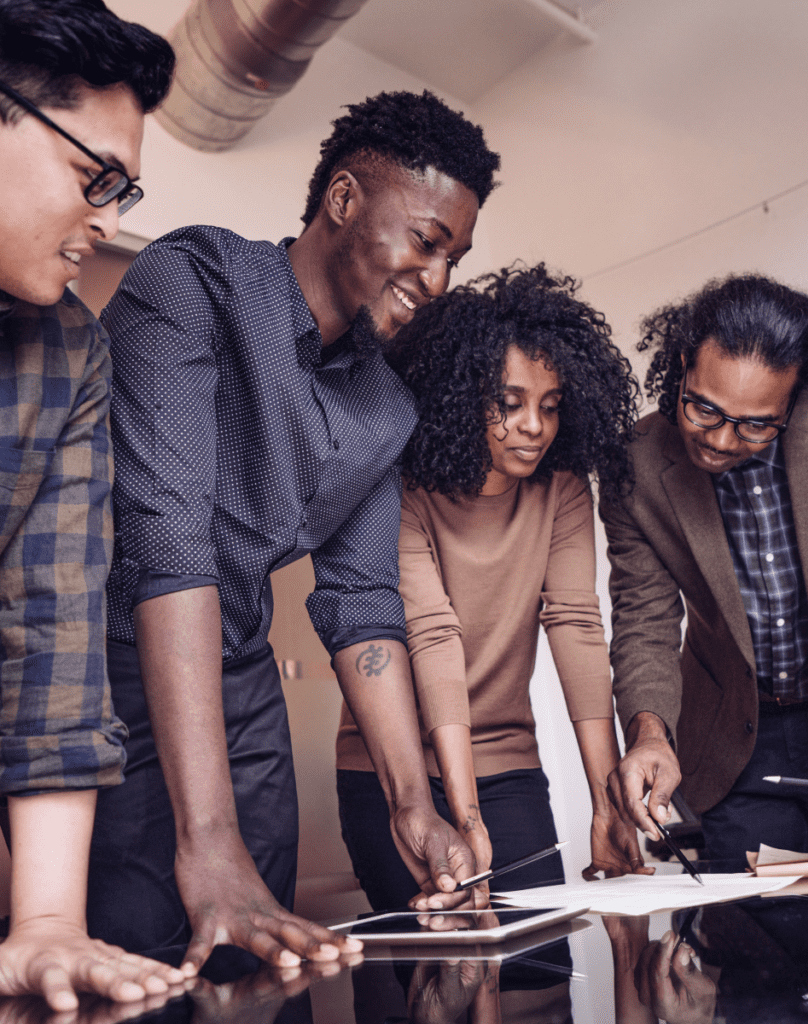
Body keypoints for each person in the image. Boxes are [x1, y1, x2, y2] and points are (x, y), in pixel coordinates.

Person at [87, 90, 501, 973]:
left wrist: (411, 805)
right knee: (143, 963)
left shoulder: (384, 408)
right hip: (112, 679)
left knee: (270, 966)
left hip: (241, 682)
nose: (437, 280)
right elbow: (169, 541)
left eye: (455, 259)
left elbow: (360, 602)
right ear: (344, 199)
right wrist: (207, 836)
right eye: (426, 242)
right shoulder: (192, 279)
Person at [336, 264, 647, 911]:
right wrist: (467, 818)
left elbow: (577, 628)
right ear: (461, 396)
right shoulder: (402, 490)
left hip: (508, 765)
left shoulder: (560, 491)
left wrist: (607, 802)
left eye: (550, 406)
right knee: (434, 984)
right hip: (393, 774)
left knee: (539, 977)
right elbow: (433, 635)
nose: (534, 425)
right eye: (510, 403)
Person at [602, 274, 808, 868]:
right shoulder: (635, 464)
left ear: (799, 398)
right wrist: (650, 734)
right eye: (703, 409)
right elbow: (643, 619)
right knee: (757, 938)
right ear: (682, 365)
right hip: (736, 745)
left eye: (755, 424)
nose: (721, 441)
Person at [0, 0, 189, 1010]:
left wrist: (42, 926)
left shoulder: (71, 350)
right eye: (94, 179)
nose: (110, 219)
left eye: (125, 190)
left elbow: (53, 635)